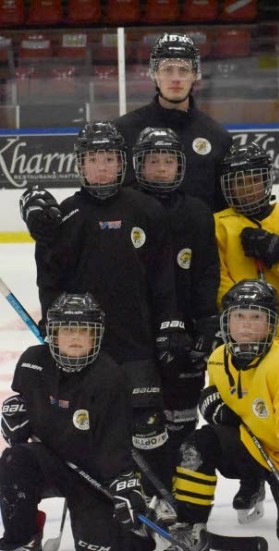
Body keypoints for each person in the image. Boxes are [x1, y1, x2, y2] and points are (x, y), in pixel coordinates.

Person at [20, 121, 181, 504]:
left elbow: (163, 278)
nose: (102, 167)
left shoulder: (147, 210)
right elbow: (50, 280)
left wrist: (169, 323)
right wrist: (52, 322)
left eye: (109, 158)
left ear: (121, 162)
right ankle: (102, 500)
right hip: (82, 350)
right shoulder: (67, 217)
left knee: (148, 428)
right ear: (81, 165)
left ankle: (162, 503)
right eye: (94, 160)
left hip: (137, 345)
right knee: (92, 427)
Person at [169, 279, 279, 551]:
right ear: (227, 322)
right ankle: (189, 526)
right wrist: (210, 400)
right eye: (239, 316)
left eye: (257, 317)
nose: (247, 325)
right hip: (249, 445)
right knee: (198, 446)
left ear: (272, 323)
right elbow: (226, 397)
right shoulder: (217, 357)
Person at [0, 293, 154, 551]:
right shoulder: (32, 362)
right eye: (67, 329)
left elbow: (115, 441)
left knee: (105, 544)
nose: (74, 337)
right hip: (50, 459)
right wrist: (14, 412)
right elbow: (23, 405)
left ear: (96, 336)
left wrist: (123, 482)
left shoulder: (109, 377)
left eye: (83, 330)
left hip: (94, 474)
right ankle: (22, 538)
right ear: (53, 333)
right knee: (14, 459)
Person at [131, 126, 221, 521]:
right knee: (143, 417)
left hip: (185, 331)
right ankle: (145, 489)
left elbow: (205, 273)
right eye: (153, 161)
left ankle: (177, 495)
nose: (161, 168)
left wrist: (205, 323)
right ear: (139, 166)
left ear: (181, 166)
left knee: (182, 417)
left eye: (169, 161)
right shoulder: (128, 207)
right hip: (134, 333)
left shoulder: (197, 212)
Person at [215, 142, 279, 355]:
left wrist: (277, 253)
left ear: (266, 179)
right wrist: (248, 306)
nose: (247, 188)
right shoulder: (217, 225)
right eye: (239, 182)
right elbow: (218, 280)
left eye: (254, 180)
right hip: (238, 336)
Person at [115, 33, 232, 212]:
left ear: (195, 75)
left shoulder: (217, 137)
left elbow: (224, 209)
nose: (176, 78)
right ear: (154, 74)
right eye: (168, 69)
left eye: (184, 70)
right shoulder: (122, 131)